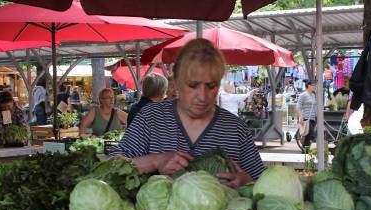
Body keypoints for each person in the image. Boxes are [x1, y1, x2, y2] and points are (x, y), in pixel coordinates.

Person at [109, 39, 264, 188]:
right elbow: (112, 165)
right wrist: (156, 161)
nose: (202, 96)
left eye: (211, 86)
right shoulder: (151, 118)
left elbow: (261, 182)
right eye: (193, 85)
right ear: (176, 83)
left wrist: (248, 182)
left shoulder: (235, 129)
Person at [296, 80, 317, 152]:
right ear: (309, 86)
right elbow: (298, 107)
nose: (315, 87)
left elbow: (315, 106)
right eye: (313, 85)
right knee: (312, 134)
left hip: (313, 118)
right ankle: (306, 149)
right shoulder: (303, 95)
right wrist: (300, 116)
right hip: (305, 117)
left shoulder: (314, 95)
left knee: (308, 135)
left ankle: (305, 150)